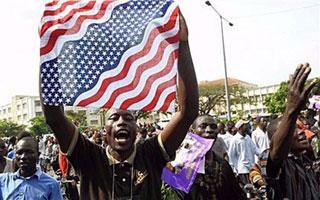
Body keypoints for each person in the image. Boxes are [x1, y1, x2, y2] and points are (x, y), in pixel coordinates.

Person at [42, 14, 199, 199]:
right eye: (114, 118)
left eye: (128, 118)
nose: (121, 122)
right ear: (105, 130)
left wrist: (183, 44)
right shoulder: (88, 156)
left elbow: (187, 113)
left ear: (136, 128)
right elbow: (54, 117)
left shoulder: (151, 153)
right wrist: (49, 49)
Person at [266, 63, 320, 200]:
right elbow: (276, 153)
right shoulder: (279, 163)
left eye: (299, 127)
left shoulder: (306, 158)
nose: (301, 132)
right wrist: (291, 109)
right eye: (292, 130)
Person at [183, 115, 246, 200]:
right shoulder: (182, 167)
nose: (209, 130)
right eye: (203, 126)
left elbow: (237, 195)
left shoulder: (223, 165)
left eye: (213, 127)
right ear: (192, 131)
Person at [0, 131, 63, 200]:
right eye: (19, 153)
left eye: (29, 152)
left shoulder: (52, 185)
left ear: (38, 155)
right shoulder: (3, 180)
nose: (23, 157)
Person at [228, 119, 260, 186]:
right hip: (242, 170)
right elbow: (231, 156)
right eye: (245, 125)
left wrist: (261, 154)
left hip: (252, 168)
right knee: (247, 189)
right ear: (240, 127)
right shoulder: (235, 140)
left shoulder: (248, 137)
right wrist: (236, 168)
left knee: (255, 188)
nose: (248, 126)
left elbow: (255, 149)